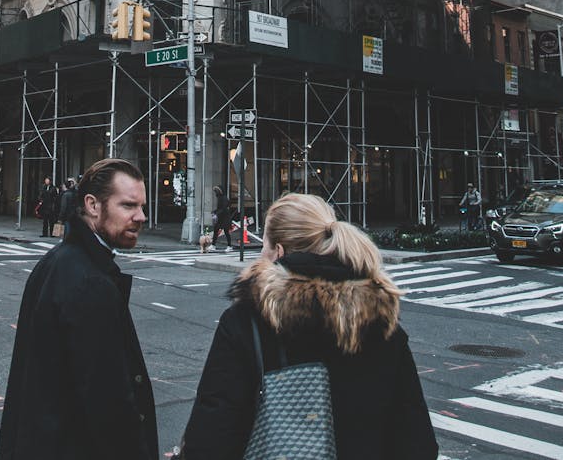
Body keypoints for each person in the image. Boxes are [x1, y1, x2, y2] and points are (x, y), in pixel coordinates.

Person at [180, 192, 438, 460]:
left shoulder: (247, 322)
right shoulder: (382, 324)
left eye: (264, 247)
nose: (261, 256)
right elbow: (417, 443)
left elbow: (210, 438)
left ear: (278, 252)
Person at [0, 157, 158, 460]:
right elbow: (108, 404)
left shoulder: (57, 263)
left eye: (142, 206)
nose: (141, 216)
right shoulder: (89, 282)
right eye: (128, 206)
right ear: (93, 205)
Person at [211, 185, 233, 251]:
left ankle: (229, 246)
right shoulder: (220, 198)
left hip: (225, 217)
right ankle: (213, 245)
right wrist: (215, 212)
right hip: (221, 217)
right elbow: (220, 208)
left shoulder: (224, 198)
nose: (216, 193)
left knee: (226, 231)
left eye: (216, 191)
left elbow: (223, 208)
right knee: (216, 230)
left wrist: (216, 213)